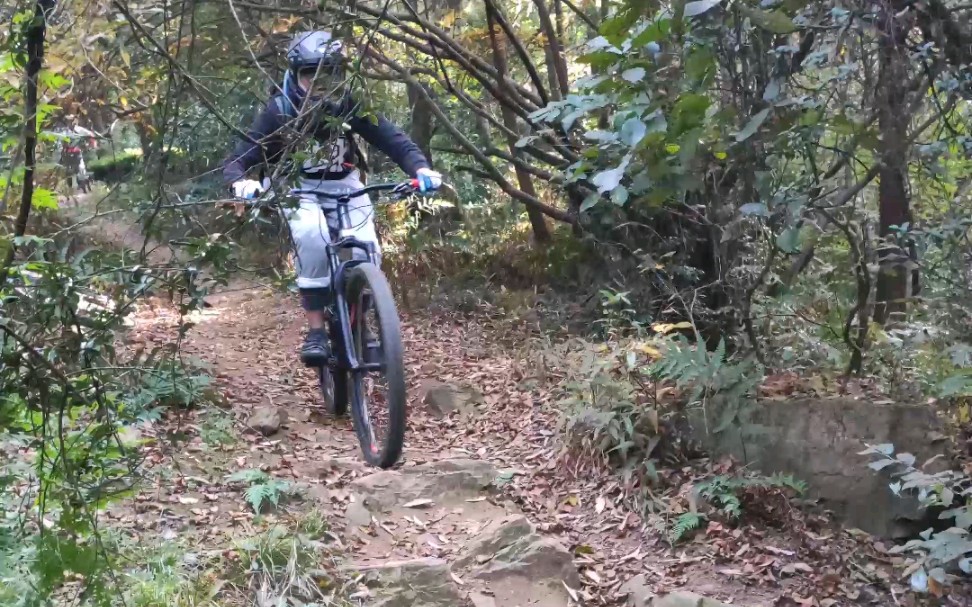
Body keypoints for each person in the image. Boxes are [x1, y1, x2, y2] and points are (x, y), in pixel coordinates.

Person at [222, 30, 442, 366]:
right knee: (312, 235)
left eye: (329, 73)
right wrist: (241, 183)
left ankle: (362, 323)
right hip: (299, 189)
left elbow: (393, 139)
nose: (320, 83)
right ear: (296, 75)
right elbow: (240, 157)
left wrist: (421, 169)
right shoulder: (280, 111)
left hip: (346, 185)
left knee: (366, 246)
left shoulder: (350, 105)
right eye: (311, 74)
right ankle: (316, 332)